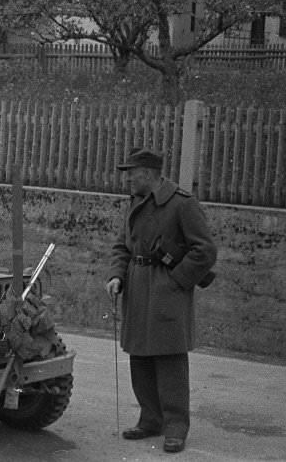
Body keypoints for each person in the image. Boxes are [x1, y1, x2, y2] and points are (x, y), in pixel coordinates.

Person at [104, 148, 217, 454]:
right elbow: (121, 246)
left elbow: (205, 251)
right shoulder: (135, 203)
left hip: (167, 289)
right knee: (139, 357)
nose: (127, 179)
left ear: (150, 174)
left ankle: (176, 426)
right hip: (137, 288)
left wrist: (177, 280)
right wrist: (117, 275)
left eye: (132, 173)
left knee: (169, 360)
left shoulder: (182, 204)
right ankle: (150, 419)